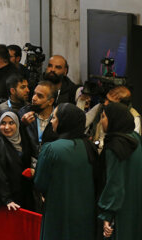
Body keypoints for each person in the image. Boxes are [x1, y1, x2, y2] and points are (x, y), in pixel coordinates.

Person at [34, 103, 98, 240]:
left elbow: (40, 182)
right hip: (85, 212)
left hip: (58, 210)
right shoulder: (89, 146)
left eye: (54, 118)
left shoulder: (51, 149)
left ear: (64, 121)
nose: (51, 121)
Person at [98, 102, 142, 240]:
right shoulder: (135, 139)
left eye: (104, 117)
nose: (101, 121)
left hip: (119, 209)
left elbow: (114, 184)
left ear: (114, 119)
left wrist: (107, 214)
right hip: (135, 203)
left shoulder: (115, 147)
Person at [0, 111, 33, 211]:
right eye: (3, 123)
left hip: (22, 194)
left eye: (11, 123)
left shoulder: (22, 137)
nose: (7, 127)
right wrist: (7, 199)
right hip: (7, 200)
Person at [19, 81, 58, 159]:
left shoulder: (59, 116)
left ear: (50, 101)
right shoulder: (24, 113)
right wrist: (22, 124)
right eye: (34, 94)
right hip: (28, 163)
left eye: (40, 96)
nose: (33, 98)